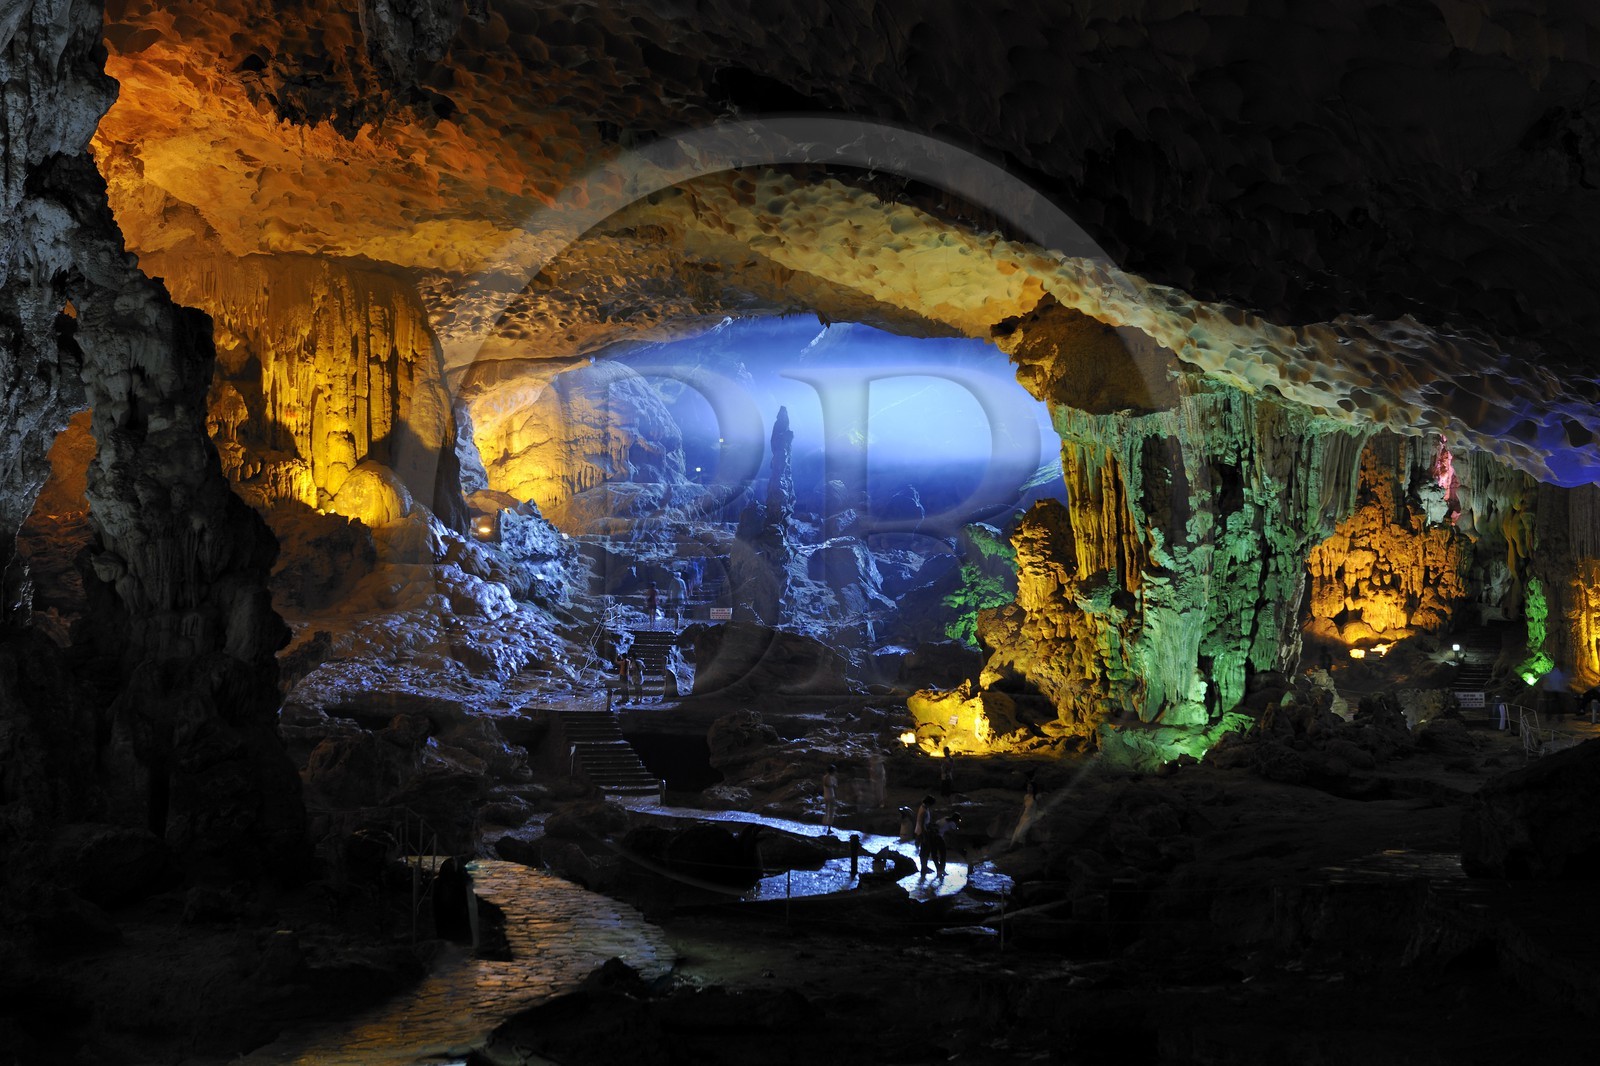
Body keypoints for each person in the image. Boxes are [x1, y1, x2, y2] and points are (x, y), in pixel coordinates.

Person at [1010, 775, 1038, 847]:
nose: (1029, 789)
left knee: (1021, 832)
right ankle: (1011, 847)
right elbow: (1023, 808)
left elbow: (1039, 807)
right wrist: (1018, 817)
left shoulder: (1036, 797)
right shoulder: (1026, 796)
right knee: (1016, 831)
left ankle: (1021, 846)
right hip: (1024, 815)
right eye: (1028, 787)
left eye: (1030, 787)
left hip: (1031, 817)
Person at [930, 811, 961, 877]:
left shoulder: (945, 818)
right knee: (943, 854)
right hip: (938, 837)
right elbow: (954, 832)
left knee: (934, 855)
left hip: (932, 836)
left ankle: (938, 869)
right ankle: (942, 870)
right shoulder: (952, 823)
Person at [914, 795, 937, 875]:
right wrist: (924, 835)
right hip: (922, 832)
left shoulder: (923, 808)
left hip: (920, 831)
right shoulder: (924, 810)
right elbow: (922, 824)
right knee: (925, 851)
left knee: (924, 851)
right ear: (928, 803)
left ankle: (924, 867)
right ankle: (924, 868)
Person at [821, 763, 839, 832]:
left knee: (826, 811)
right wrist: (834, 783)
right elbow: (831, 785)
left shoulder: (825, 777)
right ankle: (829, 828)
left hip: (826, 796)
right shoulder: (830, 778)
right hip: (831, 796)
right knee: (831, 813)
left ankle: (824, 826)